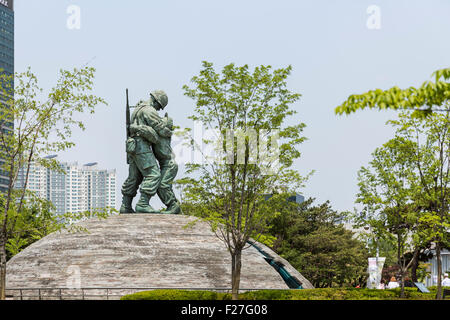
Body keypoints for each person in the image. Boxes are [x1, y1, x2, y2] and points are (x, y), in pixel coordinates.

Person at [120, 90, 172, 213]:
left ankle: (125, 205)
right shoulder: (149, 110)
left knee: (135, 177)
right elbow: (160, 128)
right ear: (156, 101)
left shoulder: (137, 109)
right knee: (154, 174)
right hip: (141, 146)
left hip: (133, 147)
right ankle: (143, 203)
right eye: (159, 106)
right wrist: (169, 130)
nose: (158, 110)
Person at [152, 114, 181, 214]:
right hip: (165, 164)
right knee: (161, 186)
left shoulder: (163, 133)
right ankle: (174, 205)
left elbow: (154, 129)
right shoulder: (160, 132)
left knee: (163, 185)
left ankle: (173, 205)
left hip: (169, 164)